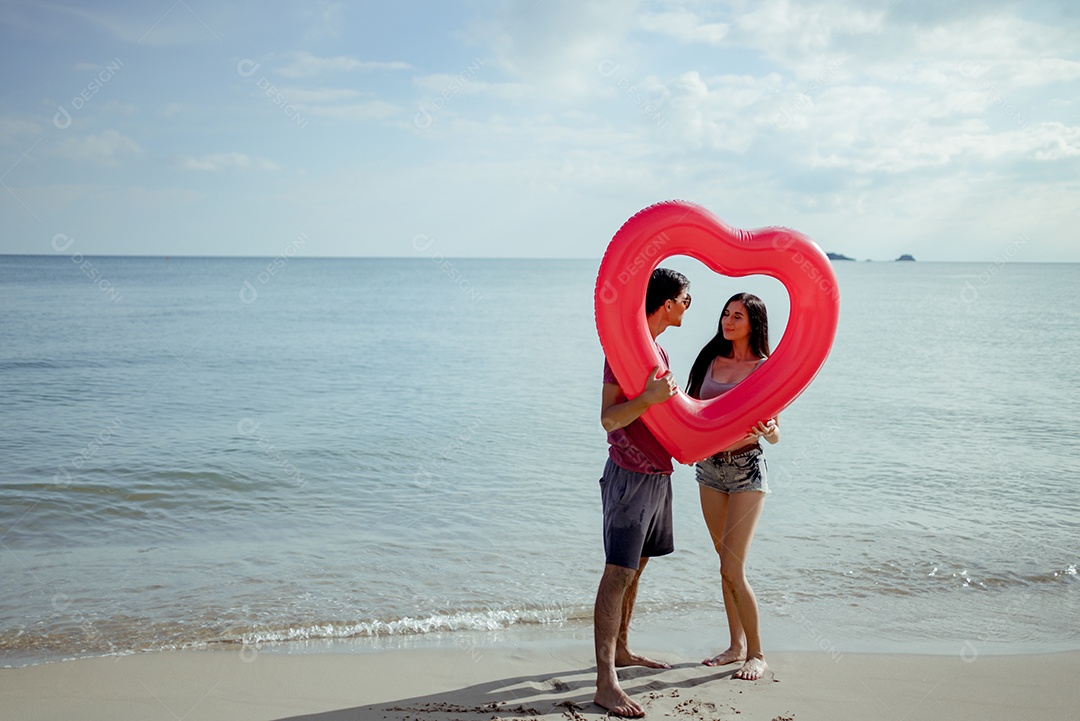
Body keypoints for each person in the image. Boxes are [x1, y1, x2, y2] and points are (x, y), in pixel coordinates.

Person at [594, 267, 691, 717]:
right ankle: (605, 684)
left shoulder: (659, 350)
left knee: (636, 569)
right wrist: (649, 398)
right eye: (686, 299)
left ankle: (623, 648)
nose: (688, 307)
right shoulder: (624, 350)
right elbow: (609, 418)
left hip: (657, 475)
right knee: (617, 574)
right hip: (629, 477)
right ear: (667, 304)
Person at [685, 292, 779, 682]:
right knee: (723, 565)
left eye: (737, 316)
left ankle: (757, 654)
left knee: (732, 567)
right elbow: (688, 411)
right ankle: (735, 646)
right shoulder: (710, 360)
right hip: (709, 470)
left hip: (746, 470)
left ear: (753, 323)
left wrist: (770, 431)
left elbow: (774, 431)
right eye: (726, 313)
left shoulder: (765, 368)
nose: (728, 321)